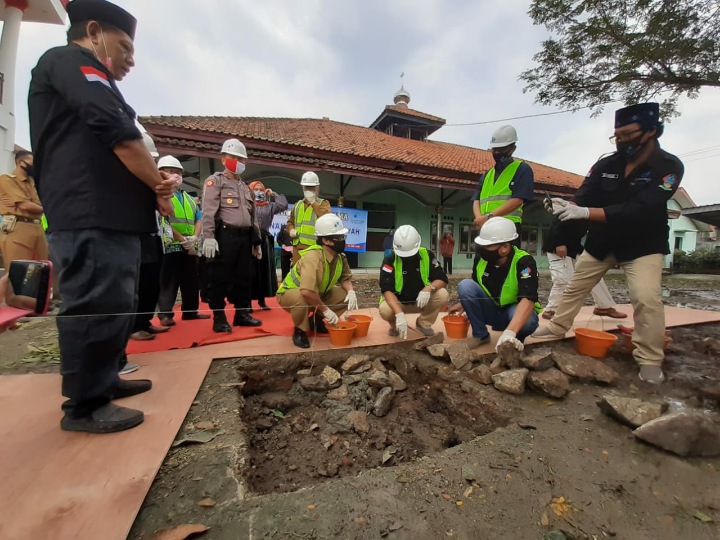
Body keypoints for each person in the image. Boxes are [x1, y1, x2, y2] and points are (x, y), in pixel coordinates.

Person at [29, 0, 178, 433]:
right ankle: (85, 405)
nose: (130, 59)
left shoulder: (96, 76)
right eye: (124, 47)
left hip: (114, 217)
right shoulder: (68, 62)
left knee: (116, 303)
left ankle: (106, 379)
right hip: (88, 212)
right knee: (92, 304)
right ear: (94, 31)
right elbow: (118, 133)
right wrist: (158, 186)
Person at [534, 103, 683, 384]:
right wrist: (569, 205)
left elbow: (640, 206)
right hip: (602, 241)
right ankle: (556, 326)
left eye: (627, 133)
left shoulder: (669, 167)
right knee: (576, 285)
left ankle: (649, 358)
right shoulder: (606, 164)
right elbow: (585, 194)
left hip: (644, 244)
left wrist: (587, 213)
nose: (621, 140)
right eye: (617, 134)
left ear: (651, 130)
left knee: (646, 297)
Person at [450, 217, 540, 352]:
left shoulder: (524, 262)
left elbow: (528, 299)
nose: (483, 249)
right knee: (465, 285)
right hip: (491, 310)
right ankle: (481, 335)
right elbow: (475, 286)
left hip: (513, 313)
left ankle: (512, 339)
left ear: (505, 248)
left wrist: (510, 331)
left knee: (529, 321)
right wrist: (466, 303)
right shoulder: (481, 258)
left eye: (488, 246)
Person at [201, 138, 262, 333]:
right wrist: (208, 236)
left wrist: (256, 241)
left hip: (245, 238)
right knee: (219, 278)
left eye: (241, 158)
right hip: (225, 237)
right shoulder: (216, 181)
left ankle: (241, 313)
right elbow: (209, 211)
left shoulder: (245, 188)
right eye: (233, 157)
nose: (237, 161)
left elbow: (253, 217)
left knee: (244, 277)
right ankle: (219, 317)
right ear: (223, 159)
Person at [276, 213, 357, 349]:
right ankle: (300, 331)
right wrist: (326, 310)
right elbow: (307, 291)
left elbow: (345, 278)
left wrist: (351, 291)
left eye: (343, 237)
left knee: (344, 295)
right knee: (301, 297)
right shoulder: (313, 258)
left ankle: (317, 322)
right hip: (289, 294)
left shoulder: (340, 257)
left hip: (317, 292)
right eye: (339, 237)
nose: (343, 240)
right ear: (325, 241)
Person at [129, 135, 173, 342]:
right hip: (135, 235)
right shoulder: (127, 179)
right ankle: (133, 325)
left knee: (152, 282)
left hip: (152, 234)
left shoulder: (153, 181)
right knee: (137, 283)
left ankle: (145, 320)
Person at [156, 155, 209, 326]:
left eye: (178, 172)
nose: (176, 175)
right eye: (171, 172)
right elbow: (164, 220)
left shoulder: (188, 198)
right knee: (169, 282)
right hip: (171, 246)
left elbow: (198, 218)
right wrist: (181, 239)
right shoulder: (162, 195)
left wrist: (194, 237)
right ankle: (165, 314)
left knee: (191, 281)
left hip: (189, 246)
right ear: (161, 173)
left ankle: (190, 311)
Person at [542, 220, 626, 320]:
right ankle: (551, 310)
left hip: (574, 248)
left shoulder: (595, 216)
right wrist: (559, 243)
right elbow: (558, 222)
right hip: (556, 246)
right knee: (563, 279)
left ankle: (604, 307)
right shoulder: (577, 206)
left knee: (593, 273)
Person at [379, 225, 449, 338]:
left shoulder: (427, 255)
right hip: (399, 304)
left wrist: (429, 288)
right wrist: (399, 313)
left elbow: (442, 278)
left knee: (442, 294)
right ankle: (396, 325)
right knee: (385, 310)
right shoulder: (390, 260)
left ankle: (423, 323)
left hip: (422, 301)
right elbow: (386, 289)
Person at [471, 125, 535, 244]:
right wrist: (479, 218)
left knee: (507, 261)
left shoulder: (522, 169)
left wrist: (487, 218)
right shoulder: (487, 175)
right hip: (486, 228)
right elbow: (477, 199)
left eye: (501, 149)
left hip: (508, 228)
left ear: (512, 148)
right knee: (481, 261)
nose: (497, 152)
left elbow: (518, 200)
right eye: (494, 149)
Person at [0, 150, 49, 270]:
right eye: (31, 162)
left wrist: (37, 206)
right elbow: (25, 206)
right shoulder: (7, 179)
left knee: (41, 271)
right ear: (20, 162)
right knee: (18, 273)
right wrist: (39, 207)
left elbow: (40, 203)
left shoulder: (33, 183)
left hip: (37, 227)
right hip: (18, 226)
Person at [249, 180, 288, 310]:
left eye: (261, 189)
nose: (259, 192)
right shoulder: (247, 204)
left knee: (264, 270)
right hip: (250, 239)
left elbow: (283, 205)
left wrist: (273, 194)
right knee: (251, 270)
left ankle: (262, 300)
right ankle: (247, 302)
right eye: (256, 189)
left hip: (264, 239)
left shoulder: (269, 206)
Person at [285, 171, 331, 264]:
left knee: (311, 276)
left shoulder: (323, 203)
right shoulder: (297, 205)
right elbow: (290, 222)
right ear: (303, 188)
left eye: (311, 188)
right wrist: (291, 230)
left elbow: (326, 219)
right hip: (297, 248)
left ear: (317, 189)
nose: (308, 190)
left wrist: (313, 203)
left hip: (314, 249)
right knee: (296, 276)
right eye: (306, 188)